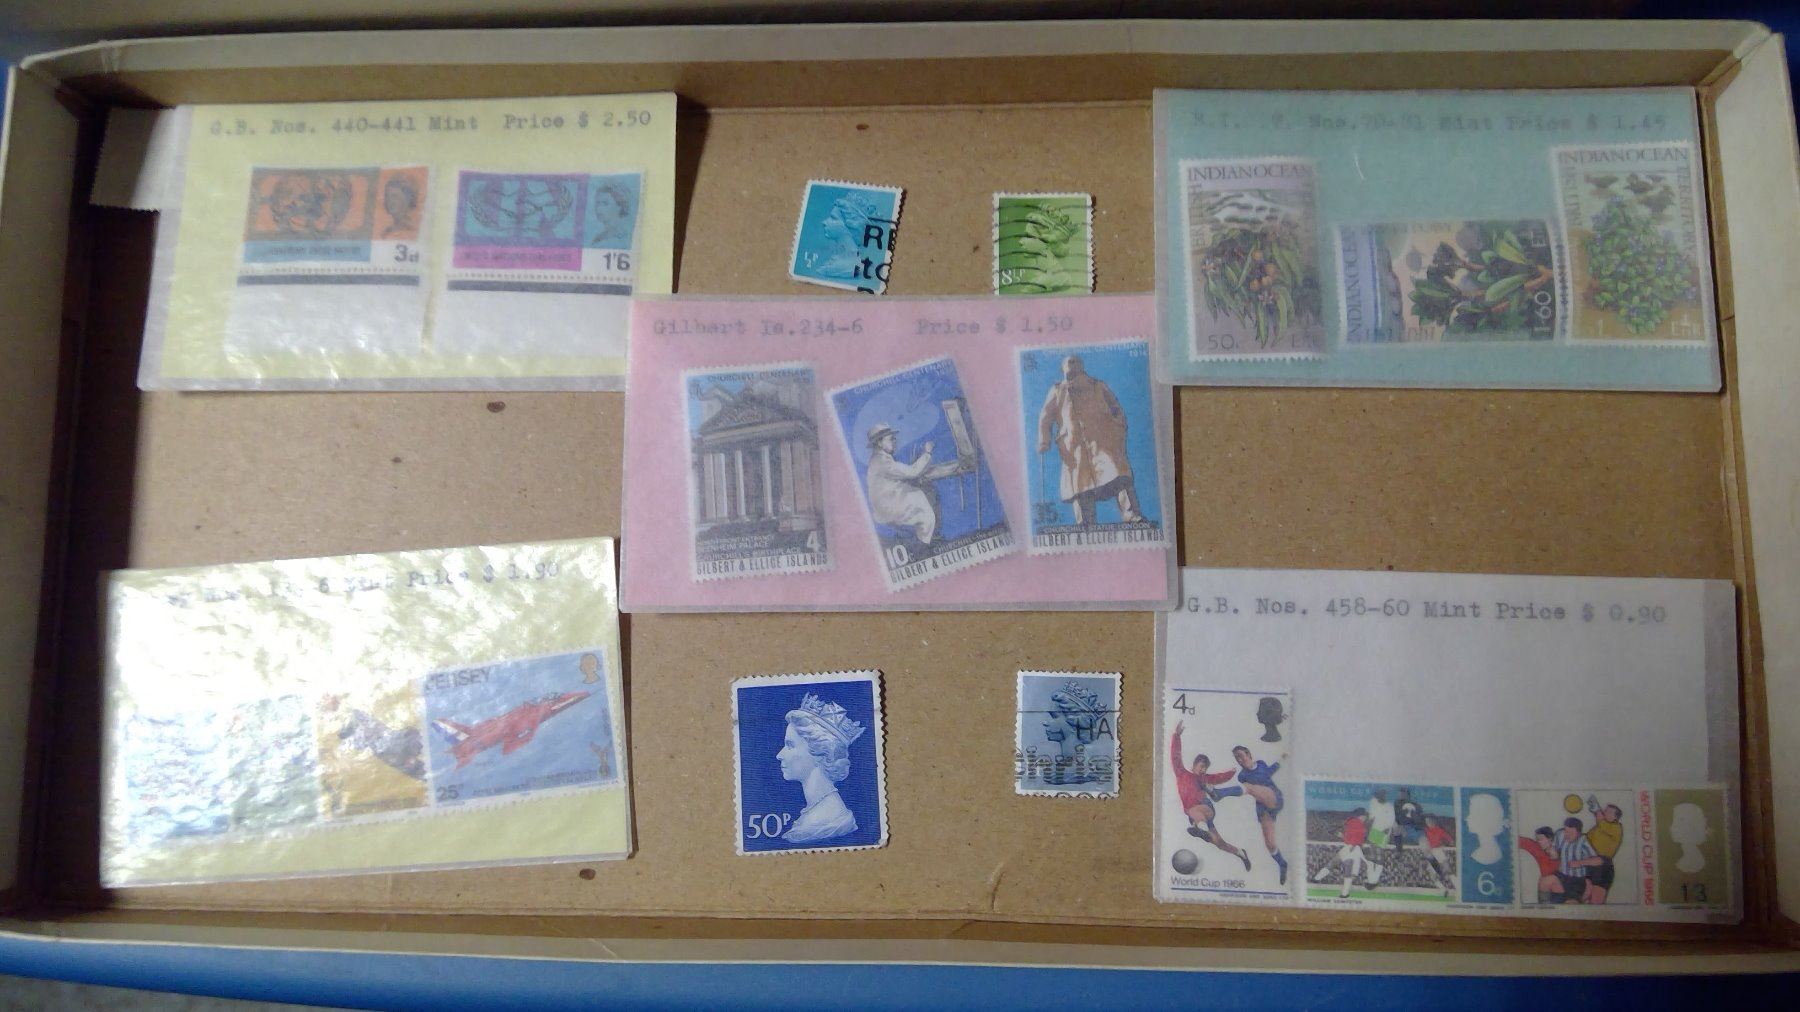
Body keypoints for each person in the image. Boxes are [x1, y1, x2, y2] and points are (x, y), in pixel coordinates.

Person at [1035, 355, 1145, 527]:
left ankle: (1131, 514)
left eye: (1075, 362)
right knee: (1080, 485)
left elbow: (1116, 407)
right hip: (1073, 447)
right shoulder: (1057, 391)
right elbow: (1045, 417)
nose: (1072, 365)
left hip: (1102, 441)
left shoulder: (1097, 385)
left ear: (1081, 365)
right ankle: (1086, 524)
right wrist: (1044, 441)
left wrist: (1117, 427)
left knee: (1118, 474)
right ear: (1063, 368)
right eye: (1068, 363)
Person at [776, 693, 866, 844]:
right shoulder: (814, 811)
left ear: (821, 754)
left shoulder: (833, 819)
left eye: (790, 745)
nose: (779, 755)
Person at [1168, 721, 1252, 872]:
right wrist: (1177, 736)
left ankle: (1199, 828)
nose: (1203, 770)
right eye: (1201, 767)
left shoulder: (1204, 778)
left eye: (1205, 768)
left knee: (1195, 811)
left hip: (1205, 807)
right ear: (1193, 766)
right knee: (1219, 843)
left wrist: (1231, 773)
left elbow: (1218, 777)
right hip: (1196, 815)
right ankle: (1240, 853)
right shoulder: (1182, 773)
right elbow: (1175, 757)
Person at [862, 423, 961, 546]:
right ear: (879, 443)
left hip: (887, 501)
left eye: (894, 438)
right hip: (888, 505)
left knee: (924, 494)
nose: (895, 441)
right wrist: (927, 453)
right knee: (925, 498)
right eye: (891, 439)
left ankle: (929, 536)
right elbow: (912, 472)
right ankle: (926, 541)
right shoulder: (882, 461)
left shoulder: (878, 459)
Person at [1232, 745, 1289, 885]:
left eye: (1240, 755)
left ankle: (1219, 794)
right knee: (1270, 844)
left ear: (1248, 754)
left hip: (1274, 797)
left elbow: (1270, 771)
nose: (1239, 759)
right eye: (1236, 757)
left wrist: (1282, 759)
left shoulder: (1261, 764)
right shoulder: (1242, 776)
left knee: (1250, 787)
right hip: (1263, 807)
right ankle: (1282, 864)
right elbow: (1251, 790)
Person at [1310, 807, 1372, 898]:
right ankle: (1344, 893)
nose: (1365, 818)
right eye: (1364, 816)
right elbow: (1356, 838)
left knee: (1333, 863)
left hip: (1349, 847)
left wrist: (1339, 834)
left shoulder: (1350, 822)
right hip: (1353, 848)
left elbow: (1348, 838)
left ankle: (1316, 879)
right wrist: (1353, 846)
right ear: (1361, 816)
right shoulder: (1358, 824)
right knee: (1349, 871)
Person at [1551, 816, 1605, 904]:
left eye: (1571, 833)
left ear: (1579, 833)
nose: (1567, 835)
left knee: (1570, 903)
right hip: (1561, 876)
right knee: (1546, 884)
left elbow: (1599, 861)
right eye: (1566, 831)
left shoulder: (1583, 841)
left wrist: (1580, 862)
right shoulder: (1560, 834)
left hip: (1577, 880)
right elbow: (1553, 852)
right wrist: (1552, 852)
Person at [1583, 799, 1624, 904]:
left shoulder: (1616, 827)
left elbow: (1602, 823)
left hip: (1603, 867)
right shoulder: (1598, 827)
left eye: (1608, 812)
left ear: (1615, 818)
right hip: (1588, 864)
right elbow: (1585, 839)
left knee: (1596, 902)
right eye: (1605, 810)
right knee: (1583, 896)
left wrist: (1597, 810)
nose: (1604, 812)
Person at [588, 178, 637, 248]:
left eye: (605, 203)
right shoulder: (599, 237)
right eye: (598, 203)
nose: (598, 208)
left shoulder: (621, 238)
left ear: (619, 206)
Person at [1519, 826, 1563, 903]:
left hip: (1554, 890)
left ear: (1550, 839)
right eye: (1537, 839)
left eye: (1541, 839)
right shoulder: (1535, 846)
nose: (1538, 842)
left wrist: (1554, 857)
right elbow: (1517, 840)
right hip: (1540, 886)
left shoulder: (1558, 854)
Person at [1422, 816, 1456, 897]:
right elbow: (1450, 840)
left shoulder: (1436, 830)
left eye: (1428, 821)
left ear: (1433, 821)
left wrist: (1449, 841)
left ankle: (1448, 888)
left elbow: (1449, 839)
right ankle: (1444, 890)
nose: (1427, 823)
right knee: (1436, 874)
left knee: (1446, 871)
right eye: (1426, 822)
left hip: (1436, 852)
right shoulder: (1428, 830)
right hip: (1435, 852)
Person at [380, 173, 420, 237]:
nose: (390, 201)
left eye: (394, 196)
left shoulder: (413, 230)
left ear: (407, 200)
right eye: (387, 196)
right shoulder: (386, 233)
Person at [1392, 787, 1424, 854]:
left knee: (1421, 838)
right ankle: (1398, 850)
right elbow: (1396, 817)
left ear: (1408, 795)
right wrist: (1402, 813)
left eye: (1403, 794)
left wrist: (1413, 816)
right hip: (1400, 825)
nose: (1401, 796)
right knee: (1395, 826)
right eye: (1400, 795)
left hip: (1411, 826)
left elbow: (1419, 819)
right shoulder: (1397, 803)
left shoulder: (1415, 805)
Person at [1366, 788, 1397, 852]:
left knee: (1380, 851)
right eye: (1380, 794)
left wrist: (1386, 831)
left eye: (1383, 794)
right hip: (1375, 830)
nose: (1381, 796)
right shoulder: (1374, 804)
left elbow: (1391, 821)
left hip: (1384, 830)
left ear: (1385, 795)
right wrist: (1369, 831)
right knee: (1372, 850)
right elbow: (1371, 818)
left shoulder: (1390, 806)